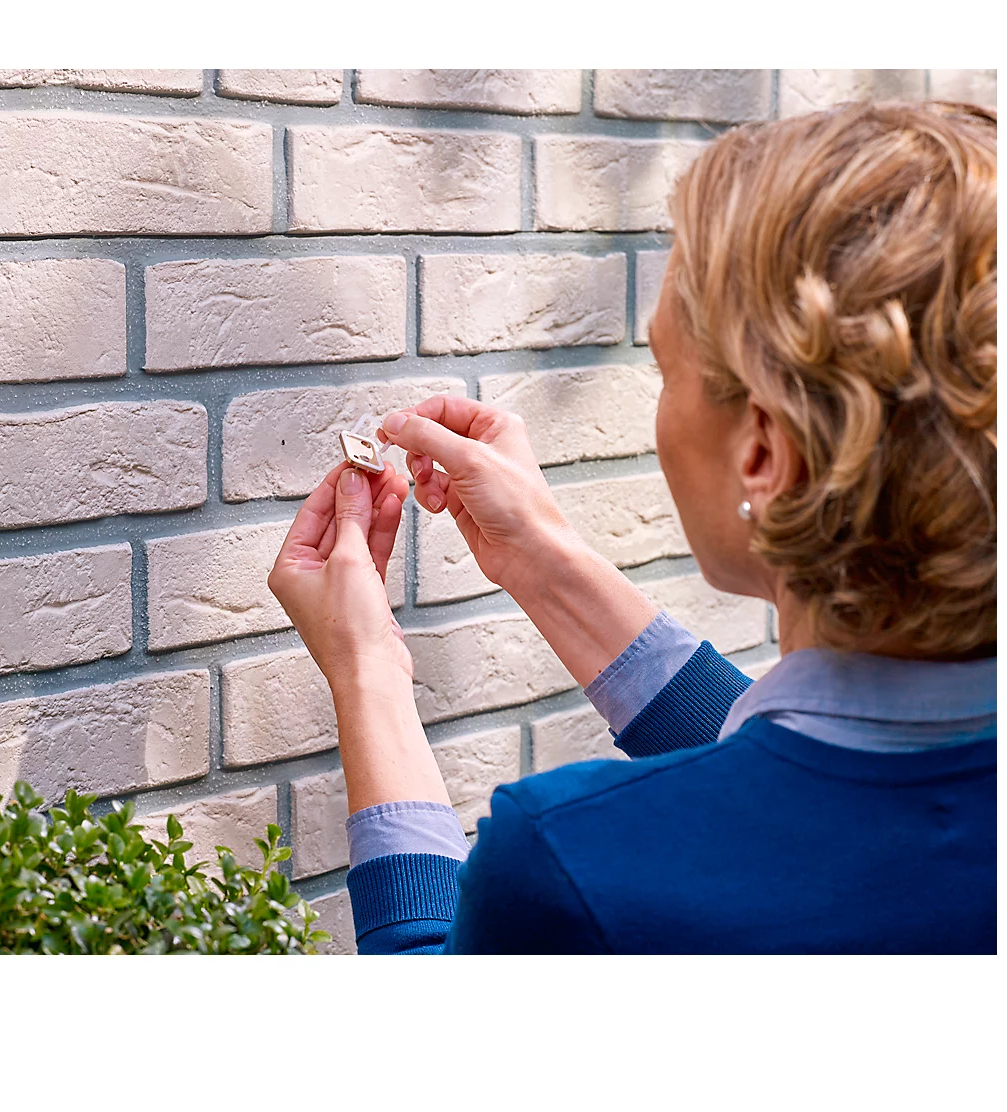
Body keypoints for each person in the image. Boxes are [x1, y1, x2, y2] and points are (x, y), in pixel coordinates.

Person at [268, 100, 997, 954]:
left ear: (762, 449)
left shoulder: (564, 861)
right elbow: (816, 787)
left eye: (666, 369)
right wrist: (541, 559)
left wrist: (368, 671)